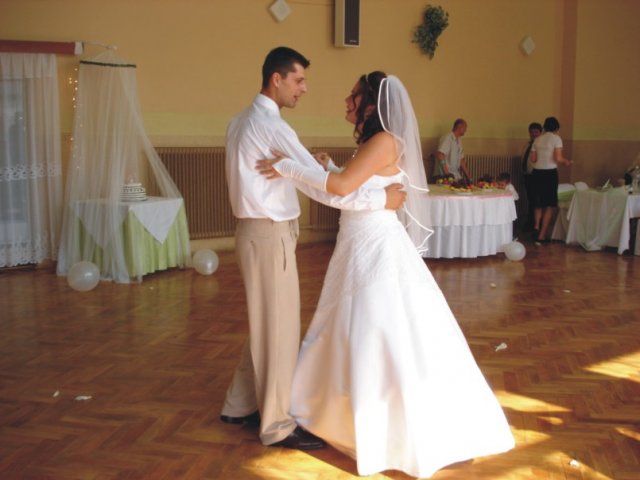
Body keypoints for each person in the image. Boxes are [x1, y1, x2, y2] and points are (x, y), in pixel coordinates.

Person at [258, 72, 515, 478]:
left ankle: (384, 430)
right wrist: (342, 174)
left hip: (375, 245)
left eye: (354, 96)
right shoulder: (375, 142)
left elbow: (341, 188)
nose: (347, 102)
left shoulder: (384, 141)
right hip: (358, 241)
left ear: (372, 104)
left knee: (376, 330)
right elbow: (353, 191)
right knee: (350, 329)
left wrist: (289, 167)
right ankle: (336, 414)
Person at [222, 47, 406, 451]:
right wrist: (381, 199)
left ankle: (239, 403)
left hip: (251, 232)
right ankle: (276, 424)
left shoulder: (239, 121)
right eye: (299, 80)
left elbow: (316, 174)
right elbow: (328, 190)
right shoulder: (274, 127)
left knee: (266, 321)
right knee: (279, 328)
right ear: (277, 79)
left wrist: (321, 167)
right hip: (270, 234)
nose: (304, 88)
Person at [530, 116, 572, 243]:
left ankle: (536, 226)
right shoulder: (556, 139)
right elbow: (558, 158)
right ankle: (542, 236)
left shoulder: (537, 139)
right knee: (549, 205)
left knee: (538, 203)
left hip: (536, 173)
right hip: (549, 174)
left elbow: (533, 159)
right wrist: (566, 162)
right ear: (557, 128)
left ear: (544, 127)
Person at [521, 122, 542, 232]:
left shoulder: (540, 146)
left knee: (535, 200)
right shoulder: (528, 144)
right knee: (530, 199)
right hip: (527, 175)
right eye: (532, 132)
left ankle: (535, 224)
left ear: (540, 133)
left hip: (535, 175)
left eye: (536, 132)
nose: (533, 134)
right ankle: (529, 221)